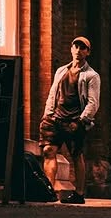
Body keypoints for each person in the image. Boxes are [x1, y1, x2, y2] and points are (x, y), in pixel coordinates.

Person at [40, 35, 100, 204]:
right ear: (71, 49)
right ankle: (49, 191)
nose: (78, 50)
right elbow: (53, 93)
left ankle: (79, 194)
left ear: (88, 52)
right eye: (76, 47)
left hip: (74, 121)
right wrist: (47, 114)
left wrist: (80, 121)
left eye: (83, 48)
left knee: (76, 155)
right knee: (48, 151)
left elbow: (93, 103)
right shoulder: (61, 71)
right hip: (55, 119)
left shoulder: (91, 76)